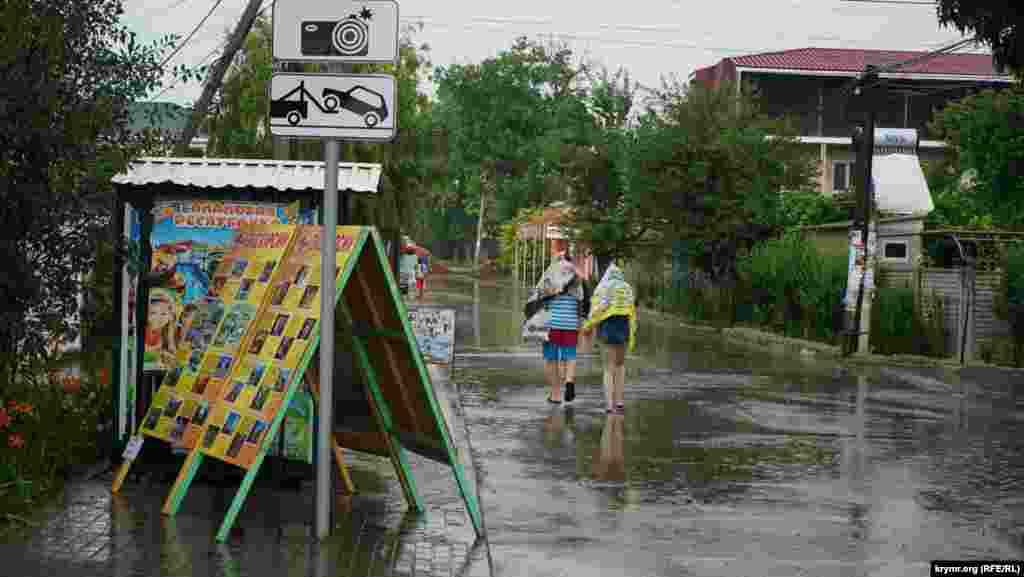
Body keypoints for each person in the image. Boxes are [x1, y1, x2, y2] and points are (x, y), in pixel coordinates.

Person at [581, 261, 636, 414]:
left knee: (608, 368)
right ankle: (619, 401)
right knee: (620, 365)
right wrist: (631, 334)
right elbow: (632, 311)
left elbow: (599, 308)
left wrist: (588, 326)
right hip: (623, 327)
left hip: (608, 327)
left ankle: (609, 405)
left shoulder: (603, 288)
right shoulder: (627, 288)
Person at [540, 252, 583, 404]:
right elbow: (580, 303)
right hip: (571, 325)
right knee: (569, 357)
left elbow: (541, 300)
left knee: (551, 359)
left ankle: (555, 394)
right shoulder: (577, 280)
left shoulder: (549, 278)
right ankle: (569, 381)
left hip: (552, 325)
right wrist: (580, 324)